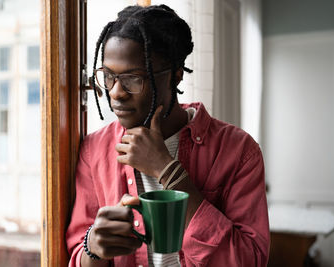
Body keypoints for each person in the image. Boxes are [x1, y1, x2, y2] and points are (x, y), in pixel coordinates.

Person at [66, 4, 269, 267]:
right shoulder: (94, 149)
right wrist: (92, 249)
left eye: (133, 78)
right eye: (108, 76)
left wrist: (167, 170)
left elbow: (249, 261)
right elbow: (76, 254)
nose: (115, 92)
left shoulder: (238, 151)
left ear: (175, 76)